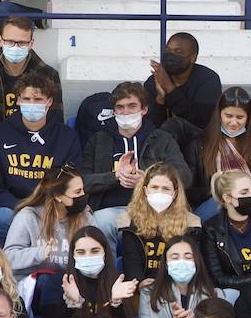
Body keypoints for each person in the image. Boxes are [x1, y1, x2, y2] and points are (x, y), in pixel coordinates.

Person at [82, 81, 193, 245]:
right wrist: (116, 176)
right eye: (120, 107)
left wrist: (147, 180)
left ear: (144, 109)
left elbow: (185, 177)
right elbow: (83, 181)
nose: (125, 112)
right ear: (114, 111)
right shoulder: (99, 140)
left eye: (132, 106)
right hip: (111, 211)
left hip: (155, 210)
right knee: (101, 220)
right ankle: (110, 264)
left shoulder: (162, 139)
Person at [0, 71, 81, 245]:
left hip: (52, 206)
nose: (32, 104)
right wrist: (25, 208)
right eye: (27, 99)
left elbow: (71, 181)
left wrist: (47, 208)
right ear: (18, 100)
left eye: (38, 99)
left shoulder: (67, 137)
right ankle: (0, 260)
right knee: (3, 216)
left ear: (49, 102)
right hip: (11, 207)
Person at [0, 16, 63, 135]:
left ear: (31, 43)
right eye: (10, 41)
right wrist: (11, 134)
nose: (15, 47)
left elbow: (56, 123)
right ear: (0, 40)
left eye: (22, 43)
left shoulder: (49, 75)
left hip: (38, 142)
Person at [132, 234, 215, 318]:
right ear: (166, 264)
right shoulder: (149, 295)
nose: (182, 262)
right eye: (175, 258)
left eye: (188, 257)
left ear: (196, 262)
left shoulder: (213, 295)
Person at [4, 164, 93, 277]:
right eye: (78, 192)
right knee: (48, 280)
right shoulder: (29, 216)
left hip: (71, 280)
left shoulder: (84, 216)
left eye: (83, 190)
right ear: (58, 196)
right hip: (35, 280)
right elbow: (9, 257)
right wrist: (40, 253)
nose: (83, 195)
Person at [117, 163, 202, 281]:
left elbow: (190, 263)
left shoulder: (190, 223)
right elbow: (131, 260)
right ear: (145, 190)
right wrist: (140, 283)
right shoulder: (129, 220)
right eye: (154, 187)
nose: (159, 192)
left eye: (166, 189)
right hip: (143, 284)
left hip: (176, 282)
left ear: (175, 194)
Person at [145, 31, 224, 130]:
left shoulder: (208, 80)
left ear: (193, 58)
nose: (171, 56)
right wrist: (160, 100)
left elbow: (200, 122)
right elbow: (151, 125)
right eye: (168, 50)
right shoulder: (154, 81)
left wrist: (170, 89)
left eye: (178, 52)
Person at [196, 88, 251, 216]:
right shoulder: (200, 144)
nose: (234, 122)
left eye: (240, 117)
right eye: (229, 116)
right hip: (215, 207)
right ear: (219, 114)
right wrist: (222, 193)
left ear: (248, 118)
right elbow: (189, 188)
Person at [203, 168, 251, 297]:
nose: (250, 195)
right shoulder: (212, 229)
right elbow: (217, 278)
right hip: (234, 293)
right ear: (227, 198)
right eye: (244, 192)